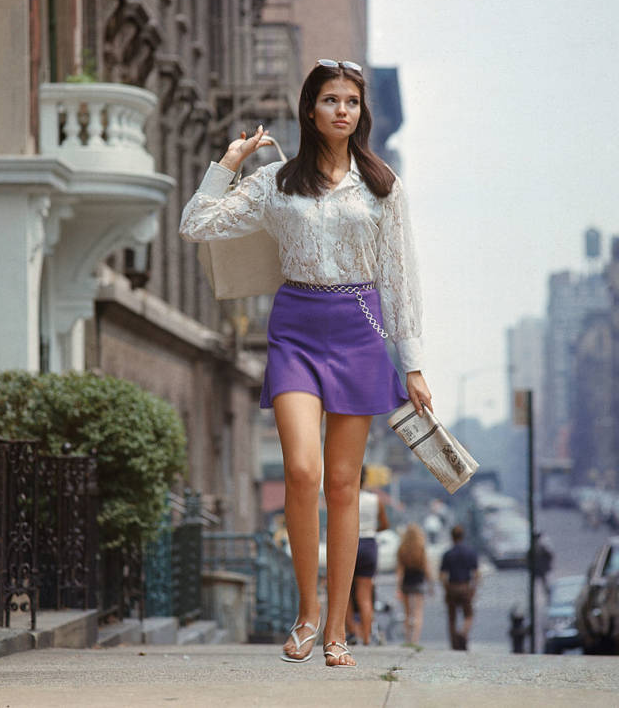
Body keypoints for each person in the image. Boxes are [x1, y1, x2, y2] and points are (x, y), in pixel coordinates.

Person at [179, 59, 431, 668]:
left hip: (359, 330)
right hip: (294, 329)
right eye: (330, 100)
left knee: (344, 487)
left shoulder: (382, 185)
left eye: (351, 101)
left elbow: (400, 278)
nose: (342, 110)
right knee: (301, 471)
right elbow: (195, 225)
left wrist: (414, 362)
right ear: (310, 110)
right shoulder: (276, 182)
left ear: (359, 113)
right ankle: (307, 615)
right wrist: (230, 164)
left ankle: (339, 630)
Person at [345, 466, 389, 645]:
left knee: (345, 593)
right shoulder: (375, 500)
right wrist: (371, 529)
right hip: (369, 545)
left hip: (349, 543)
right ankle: (367, 637)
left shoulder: (347, 496)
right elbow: (385, 524)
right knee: (365, 595)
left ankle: (352, 632)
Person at [440, 524, 479, 650]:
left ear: (452, 537)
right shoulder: (471, 552)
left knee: (452, 617)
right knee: (468, 615)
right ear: (463, 536)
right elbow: (476, 574)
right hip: (465, 586)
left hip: (452, 586)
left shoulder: (447, 554)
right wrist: (473, 588)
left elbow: (442, 575)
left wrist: (446, 588)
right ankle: (463, 632)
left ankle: (454, 643)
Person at [396, 523, 432, 644]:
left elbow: (400, 571)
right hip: (418, 583)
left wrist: (398, 588)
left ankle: (407, 638)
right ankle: (415, 640)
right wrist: (431, 584)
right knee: (418, 612)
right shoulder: (421, 548)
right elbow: (426, 567)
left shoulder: (402, 549)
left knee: (407, 613)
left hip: (406, 583)